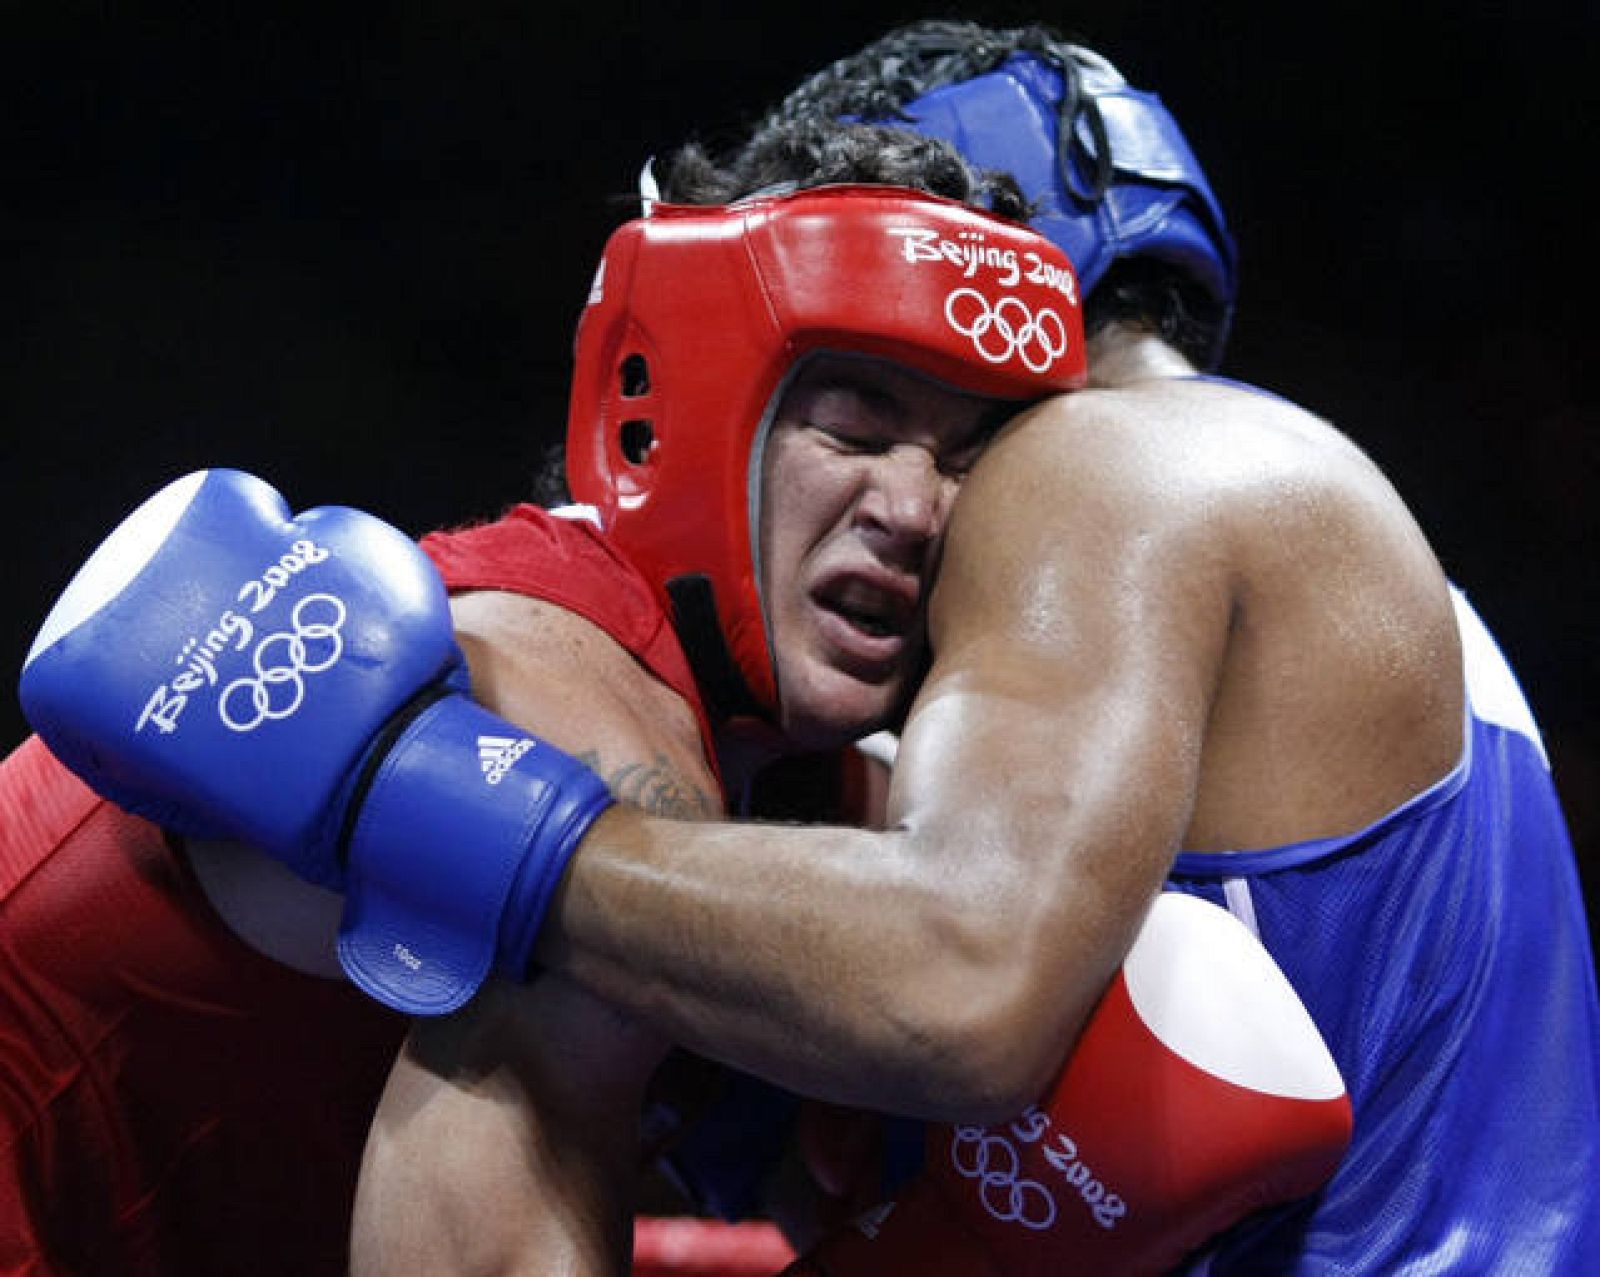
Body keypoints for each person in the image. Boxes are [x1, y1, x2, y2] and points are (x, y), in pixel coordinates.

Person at [366, 21, 1598, 1273]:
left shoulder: (1099, 469)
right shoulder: (1347, 534)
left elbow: (959, 985)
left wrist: (456, 818)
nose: (917, 502)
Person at [12, 172, 1090, 1276]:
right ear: (684, 419)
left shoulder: (825, 801)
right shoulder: (565, 699)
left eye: (969, 463)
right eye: (854, 426)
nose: (914, 509)